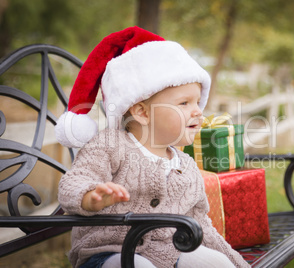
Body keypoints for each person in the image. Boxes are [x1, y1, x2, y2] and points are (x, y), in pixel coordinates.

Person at [55, 26, 250, 268]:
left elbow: (203, 227)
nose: (198, 110)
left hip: (169, 253)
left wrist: (238, 264)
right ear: (142, 112)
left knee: (216, 263)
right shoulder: (109, 145)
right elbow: (72, 183)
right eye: (184, 102)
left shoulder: (186, 165)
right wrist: (90, 197)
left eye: (197, 101)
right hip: (107, 254)